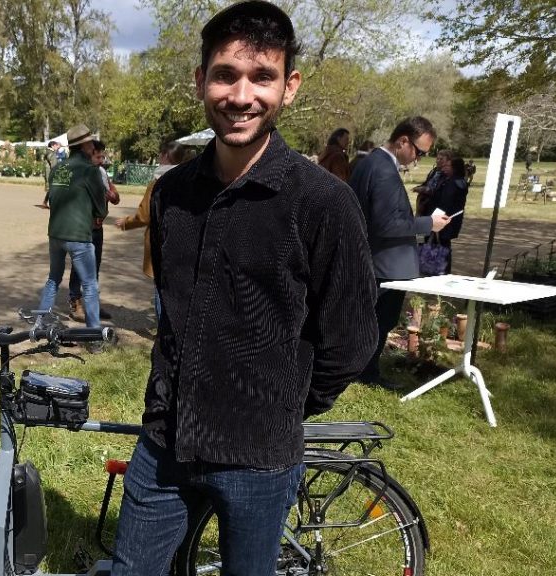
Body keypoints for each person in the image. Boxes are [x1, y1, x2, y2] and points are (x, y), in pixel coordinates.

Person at [111, 4, 378, 575]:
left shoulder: (324, 203)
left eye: (262, 77)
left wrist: (283, 403)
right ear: (201, 80)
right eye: (226, 74)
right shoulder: (169, 196)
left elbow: (352, 339)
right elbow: (175, 319)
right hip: (164, 444)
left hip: (259, 456)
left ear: (290, 87)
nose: (241, 94)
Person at [349, 116, 451, 389]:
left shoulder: (369, 162)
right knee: (379, 321)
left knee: (371, 321)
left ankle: (360, 370)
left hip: (377, 259)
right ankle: (366, 373)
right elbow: (386, 225)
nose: (418, 159)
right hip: (384, 263)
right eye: (419, 152)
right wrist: (429, 223)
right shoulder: (382, 168)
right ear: (403, 141)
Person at [35, 123, 107, 330]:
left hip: (55, 233)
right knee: (90, 285)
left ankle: (39, 325)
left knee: (53, 280)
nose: (93, 145)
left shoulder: (57, 169)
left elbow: (54, 198)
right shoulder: (90, 171)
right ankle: (94, 336)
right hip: (78, 235)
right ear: (85, 145)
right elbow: (101, 209)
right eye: (91, 142)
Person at [115, 140, 189, 322]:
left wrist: (126, 222)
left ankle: (163, 330)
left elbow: (144, 215)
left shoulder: (157, 182)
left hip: (161, 239)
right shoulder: (189, 179)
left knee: (160, 286)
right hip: (185, 239)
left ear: (164, 156)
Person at [67, 140, 120, 321]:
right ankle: (75, 302)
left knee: (94, 266)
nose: (101, 160)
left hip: (97, 229)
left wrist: (113, 196)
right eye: (98, 156)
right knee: (78, 266)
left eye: (103, 156)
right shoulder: (79, 174)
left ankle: (92, 304)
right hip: (81, 228)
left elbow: (115, 196)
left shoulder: (102, 172)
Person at [421, 156, 469, 274]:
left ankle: (441, 270)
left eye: (447, 166)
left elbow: (445, 202)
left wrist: (434, 219)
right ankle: (434, 268)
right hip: (444, 218)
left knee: (442, 244)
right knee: (437, 243)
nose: (444, 168)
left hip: (445, 219)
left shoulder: (454, 183)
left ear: (455, 168)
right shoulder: (448, 179)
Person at [412, 149, 451, 216]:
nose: (438, 161)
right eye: (437, 158)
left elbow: (441, 191)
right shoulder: (434, 170)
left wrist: (425, 190)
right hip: (424, 204)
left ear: (448, 161)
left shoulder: (448, 174)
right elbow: (427, 183)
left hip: (435, 207)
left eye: (441, 159)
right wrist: (419, 187)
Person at [41, 140, 62, 208]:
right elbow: (53, 165)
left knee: (51, 188)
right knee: (53, 188)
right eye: (56, 145)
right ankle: (51, 204)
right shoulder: (51, 153)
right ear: (52, 146)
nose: (57, 147)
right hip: (50, 172)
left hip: (48, 171)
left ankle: (45, 202)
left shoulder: (49, 151)